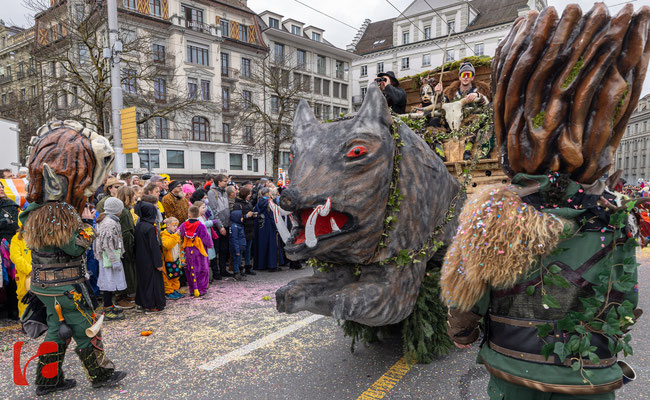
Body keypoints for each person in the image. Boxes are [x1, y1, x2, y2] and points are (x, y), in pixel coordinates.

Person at [434, 61, 490, 159]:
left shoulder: (478, 90)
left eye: (469, 75)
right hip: (452, 123)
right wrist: (439, 94)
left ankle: (467, 150)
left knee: (479, 120)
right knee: (434, 122)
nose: (466, 77)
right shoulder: (451, 92)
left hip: (470, 121)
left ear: (472, 77)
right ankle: (440, 152)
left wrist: (477, 95)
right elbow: (442, 104)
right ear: (459, 77)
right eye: (464, 74)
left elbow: (486, 102)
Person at [94, 198, 126, 321]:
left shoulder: (110, 220)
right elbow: (107, 244)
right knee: (108, 282)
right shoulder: (109, 223)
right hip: (109, 258)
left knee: (111, 281)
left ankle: (110, 305)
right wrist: (114, 261)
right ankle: (107, 309)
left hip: (110, 257)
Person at [134, 202, 166, 313]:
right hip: (150, 259)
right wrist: (158, 263)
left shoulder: (139, 225)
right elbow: (154, 247)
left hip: (140, 257)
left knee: (143, 281)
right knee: (152, 282)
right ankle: (150, 305)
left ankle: (141, 303)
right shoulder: (150, 228)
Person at [179, 205, 213, 297]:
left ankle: (192, 289)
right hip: (199, 250)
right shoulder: (201, 226)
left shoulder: (183, 225)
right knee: (202, 269)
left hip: (188, 249)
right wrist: (210, 245)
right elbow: (206, 238)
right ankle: (201, 289)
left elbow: (180, 235)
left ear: (188, 215)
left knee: (190, 269)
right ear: (198, 214)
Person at [0, 180, 20, 320]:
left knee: (12, 277)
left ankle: (14, 309)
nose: (1, 189)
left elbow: (15, 226)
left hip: (9, 245)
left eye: (1, 187)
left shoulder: (11, 205)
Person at [115, 186, 136, 309]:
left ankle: (124, 295)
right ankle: (123, 297)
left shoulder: (122, 210)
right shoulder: (125, 212)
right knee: (127, 272)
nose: (135, 198)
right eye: (133, 196)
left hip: (120, 247)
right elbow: (127, 233)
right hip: (125, 248)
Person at [207, 174, 233, 278]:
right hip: (218, 226)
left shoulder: (225, 192)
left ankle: (223, 269)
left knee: (224, 249)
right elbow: (214, 211)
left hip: (226, 224)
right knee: (216, 249)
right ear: (219, 182)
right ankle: (216, 272)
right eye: (225, 181)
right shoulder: (212, 193)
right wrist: (220, 226)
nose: (227, 182)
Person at [254, 187, 283, 272]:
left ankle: (261, 264)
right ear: (267, 193)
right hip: (269, 226)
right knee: (271, 245)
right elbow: (273, 215)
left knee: (261, 245)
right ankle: (271, 264)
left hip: (261, 225)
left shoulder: (258, 201)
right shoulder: (270, 202)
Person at [232, 187, 256, 276]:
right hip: (242, 230)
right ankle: (239, 268)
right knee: (241, 250)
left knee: (248, 250)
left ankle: (247, 267)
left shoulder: (248, 203)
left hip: (250, 228)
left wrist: (253, 215)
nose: (250, 195)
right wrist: (246, 216)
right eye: (249, 194)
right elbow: (236, 217)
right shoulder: (237, 205)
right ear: (245, 194)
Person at [195, 201, 219, 282]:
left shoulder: (203, 216)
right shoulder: (198, 218)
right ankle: (205, 279)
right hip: (203, 241)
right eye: (203, 207)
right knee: (204, 261)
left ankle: (208, 278)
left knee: (208, 260)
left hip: (207, 239)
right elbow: (203, 225)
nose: (205, 209)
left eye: (205, 207)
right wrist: (212, 222)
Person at [161, 217, 184, 300]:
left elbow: (179, 247)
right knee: (168, 278)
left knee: (176, 276)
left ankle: (174, 290)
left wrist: (182, 259)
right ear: (167, 225)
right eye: (174, 225)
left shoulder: (175, 235)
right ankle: (169, 292)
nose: (175, 228)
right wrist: (175, 236)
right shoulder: (164, 235)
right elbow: (168, 245)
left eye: (176, 226)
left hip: (176, 259)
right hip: (168, 261)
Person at [10, 226, 31, 317]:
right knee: (24, 297)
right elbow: (15, 257)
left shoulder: (38, 237)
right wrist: (29, 270)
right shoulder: (16, 239)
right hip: (24, 275)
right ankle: (25, 320)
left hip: (39, 272)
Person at [229, 210, 248, 281]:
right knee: (236, 260)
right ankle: (236, 273)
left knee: (239, 260)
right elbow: (235, 239)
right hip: (237, 247)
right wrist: (237, 250)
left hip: (240, 246)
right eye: (241, 217)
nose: (242, 219)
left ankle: (239, 272)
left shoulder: (239, 225)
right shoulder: (235, 227)